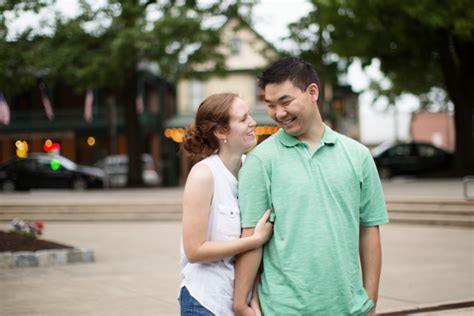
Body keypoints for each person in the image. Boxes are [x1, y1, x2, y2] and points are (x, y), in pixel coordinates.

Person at [233, 58, 389, 315]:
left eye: (285, 102)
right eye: (271, 105)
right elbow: (251, 238)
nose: (278, 113)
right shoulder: (260, 161)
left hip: (349, 308)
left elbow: (369, 230)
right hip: (283, 309)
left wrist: (370, 299)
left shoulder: (359, 155)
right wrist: (240, 303)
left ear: (313, 92)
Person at [179, 92, 273, 315]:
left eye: (249, 115)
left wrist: (254, 299)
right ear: (221, 132)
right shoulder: (204, 175)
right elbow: (194, 250)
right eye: (243, 119)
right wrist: (255, 239)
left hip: (242, 302)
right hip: (205, 303)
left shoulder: (252, 168)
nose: (253, 122)